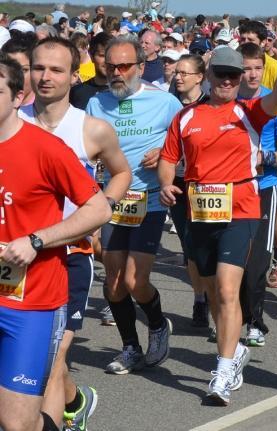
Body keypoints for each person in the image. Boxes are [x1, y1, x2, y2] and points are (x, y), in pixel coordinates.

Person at [159, 41, 277, 405]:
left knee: (225, 288)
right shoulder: (185, 117)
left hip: (241, 209)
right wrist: (164, 185)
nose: (227, 81)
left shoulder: (250, 111)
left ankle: (221, 371)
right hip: (201, 211)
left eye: (234, 76)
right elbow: (169, 157)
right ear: (208, 76)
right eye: (221, 74)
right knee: (210, 289)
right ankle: (233, 351)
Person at [19, 37, 131, 431]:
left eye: (56, 70)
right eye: (38, 68)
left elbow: (122, 173)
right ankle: (76, 401)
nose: (45, 77)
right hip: (18, 257)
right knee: (42, 360)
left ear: (73, 75)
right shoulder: (13, 121)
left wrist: (102, 209)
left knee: (49, 358)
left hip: (70, 255)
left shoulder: (92, 128)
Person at [0, 55, 111, 431]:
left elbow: (97, 209)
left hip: (30, 303)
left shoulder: (46, 148)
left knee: (17, 424)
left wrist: (37, 240)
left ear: (17, 97)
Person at [86, 35, 183, 375]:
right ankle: (130, 348)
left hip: (149, 200)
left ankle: (157, 324)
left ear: (141, 67)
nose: (117, 72)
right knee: (112, 283)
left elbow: (185, 145)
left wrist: (165, 154)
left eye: (124, 66)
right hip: (109, 200)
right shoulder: (96, 104)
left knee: (133, 281)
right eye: (111, 66)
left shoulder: (166, 102)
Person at [236, 42, 277, 347]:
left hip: (263, 187)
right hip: (228, 190)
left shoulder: (273, 104)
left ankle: (255, 322)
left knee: (257, 261)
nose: (251, 74)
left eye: (257, 68)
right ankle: (232, 316)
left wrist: (263, 158)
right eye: (245, 68)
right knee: (230, 260)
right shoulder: (225, 100)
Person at [166, 54, 211, 327]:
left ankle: (215, 296)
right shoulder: (167, 104)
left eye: (185, 72)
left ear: (200, 77)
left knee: (207, 244)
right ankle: (200, 297)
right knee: (189, 243)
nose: (179, 77)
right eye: (176, 72)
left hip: (206, 184)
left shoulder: (209, 105)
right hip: (178, 182)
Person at [70, 32, 112, 110]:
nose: (107, 61)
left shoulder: (124, 92)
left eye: (111, 55)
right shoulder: (77, 92)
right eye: (102, 55)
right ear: (92, 56)